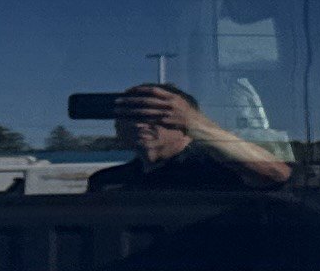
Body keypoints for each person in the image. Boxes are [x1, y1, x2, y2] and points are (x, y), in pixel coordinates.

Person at [85, 80, 307, 192]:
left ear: (184, 122)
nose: (140, 122)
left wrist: (198, 124)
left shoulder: (222, 172)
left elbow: (278, 175)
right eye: (130, 114)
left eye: (155, 114)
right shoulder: (106, 182)